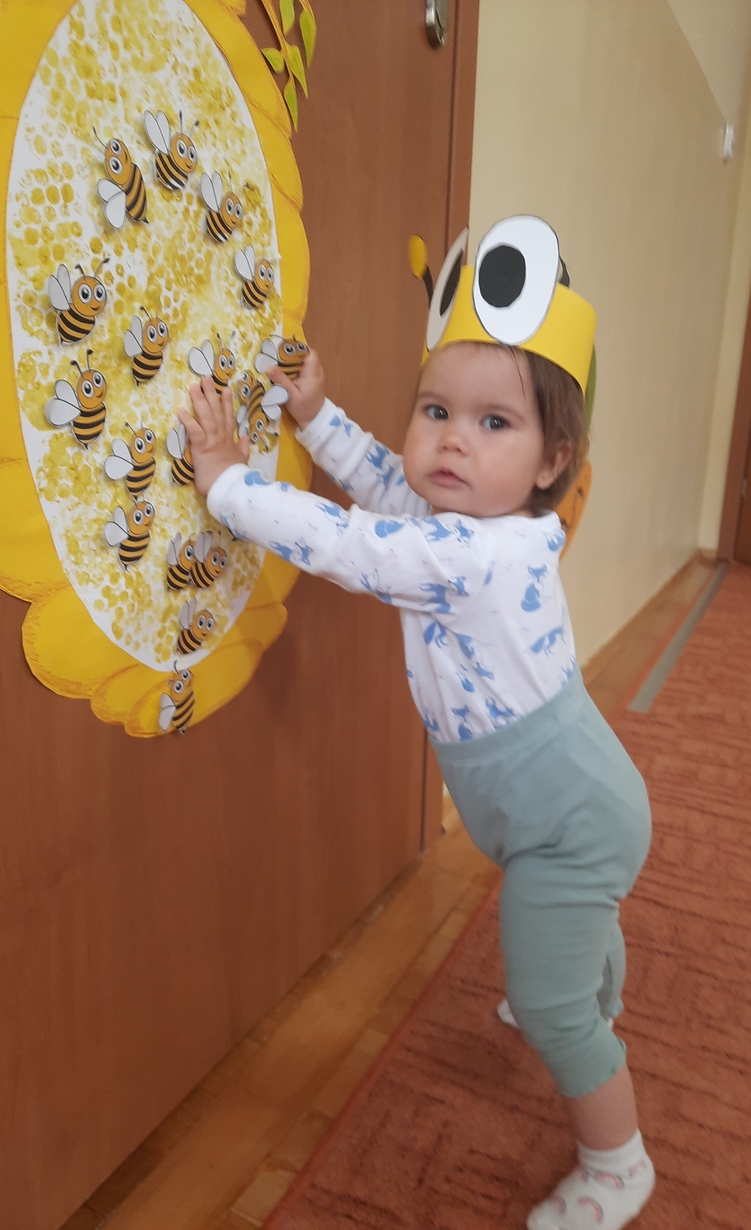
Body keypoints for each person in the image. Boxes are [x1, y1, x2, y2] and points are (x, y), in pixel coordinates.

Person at [177, 218, 655, 1230]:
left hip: (567, 825)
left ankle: (618, 1164)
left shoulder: (480, 556)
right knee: (574, 934)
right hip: (563, 805)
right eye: (435, 409)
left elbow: (353, 544)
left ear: (551, 460)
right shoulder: (461, 521)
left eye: (492, 423)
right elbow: (381, 482)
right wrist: (315, 414)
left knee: (550, 1006)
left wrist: (227, 482)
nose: (450, 438)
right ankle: (593, 979)